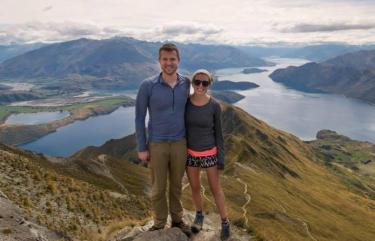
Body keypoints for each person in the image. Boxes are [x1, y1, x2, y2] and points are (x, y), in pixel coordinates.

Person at [135, 43, 191, 237]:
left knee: (176, 185)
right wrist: (142, 147)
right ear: (159, 61)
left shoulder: (187, 83)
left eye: (172, 59)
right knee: (158, 187)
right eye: (165, 59)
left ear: (178, 61)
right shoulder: (147, 85)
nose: (169, 63)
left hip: (180, 143)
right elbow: (139, 117)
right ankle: (159, 223)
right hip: (157, 144)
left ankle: (177, 219)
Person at [185, 69, 230, 240]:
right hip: (191, 155)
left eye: (205, 83)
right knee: (195, 187)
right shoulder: (186, 103)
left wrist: (221, 157)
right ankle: (199, 215)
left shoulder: (214, 106)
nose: (200, 86)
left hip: (210, 153)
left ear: (209, 84)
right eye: (197, 82)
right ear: (193, 82)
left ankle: (225, 222)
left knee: (215, 188)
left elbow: (219, 133)